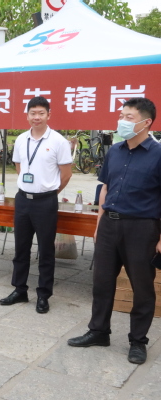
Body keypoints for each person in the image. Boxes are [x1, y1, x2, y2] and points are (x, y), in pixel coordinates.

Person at [68, 98, 159, 364]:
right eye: (121, 116)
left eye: (129, 117)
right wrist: (99, 224)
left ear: (146, 122)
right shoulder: (115, 151)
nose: (122, 121)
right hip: (109, 224)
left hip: (141, 228)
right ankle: (99, 331)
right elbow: (105, 189)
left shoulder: (158, 154)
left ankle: (138, 341)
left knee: (142, 287)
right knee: (102, 282)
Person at [0, 96, 72, 314]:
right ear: (27, 115)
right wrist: (29, 186)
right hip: (23, 200)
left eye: (41, 113)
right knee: (21, 248)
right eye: (33, 113)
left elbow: (66, 174)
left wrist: (49, 192)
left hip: (46, 202)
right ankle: (19, 289)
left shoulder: (58, 141)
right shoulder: (21, 139)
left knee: (46, 250)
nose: (36, 117)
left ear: (49, 115)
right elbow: (19, 167)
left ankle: (43, 295)